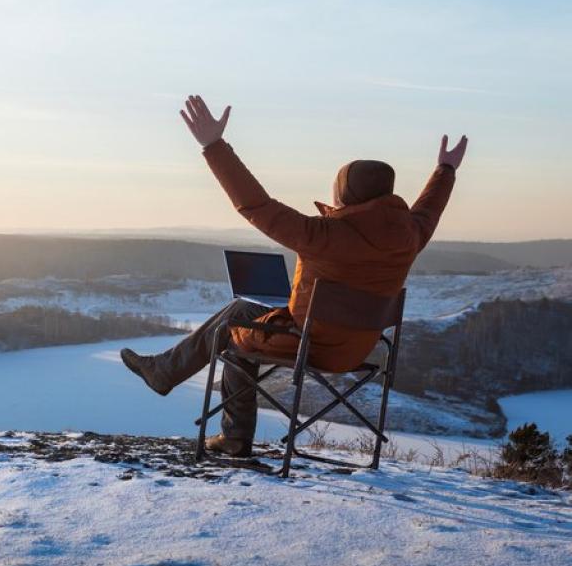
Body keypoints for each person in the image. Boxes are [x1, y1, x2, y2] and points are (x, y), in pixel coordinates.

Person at [121, 95, 467, 457]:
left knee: (238, 342)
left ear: (348, 193)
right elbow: (428, 212)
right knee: (242, 310)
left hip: (310, 343)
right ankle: (164, 370)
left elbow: (255, 205)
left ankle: (231, 434)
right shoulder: (408, 237)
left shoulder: (322, 235)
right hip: (359, 347)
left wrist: (214, 146)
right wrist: (445, 171)